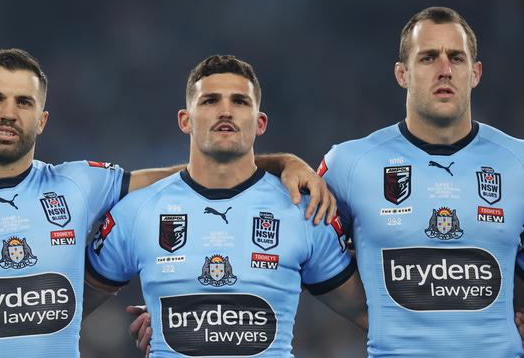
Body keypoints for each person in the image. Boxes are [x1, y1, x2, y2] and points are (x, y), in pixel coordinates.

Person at [0, 49, 333, 358]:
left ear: (43, 118)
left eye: (24, 102)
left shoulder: (79, 184)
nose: (9, 112)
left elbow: (196, 174)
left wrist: (279, 162)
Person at [85, 55, 368, 357]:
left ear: (260, 123)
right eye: (209, 101)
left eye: (240, 102)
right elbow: (63, 312)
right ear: (185, 120)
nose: (225, 111)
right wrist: (176, 316)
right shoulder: (137, 211)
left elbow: (369, 315)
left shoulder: (304, 211)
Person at [317, 6, 524, 357]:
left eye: (456, 58)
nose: (444, 70)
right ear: (403, 74)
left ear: (475, 73)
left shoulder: (519, 162)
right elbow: (303, 246)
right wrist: (372, 316)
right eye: (428, 58)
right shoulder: (348, 165)